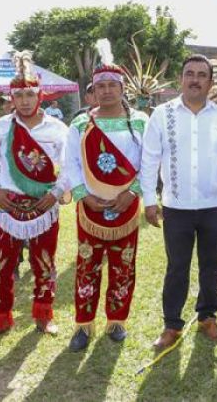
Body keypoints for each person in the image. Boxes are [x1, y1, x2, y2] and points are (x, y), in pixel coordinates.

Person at [141, 55, 217, 350]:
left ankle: (208, 317)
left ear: (210, 82)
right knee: (177, 267)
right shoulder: (161, 114)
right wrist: (149, 200)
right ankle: (172, 325)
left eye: (201, 75)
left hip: (213, 204)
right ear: (181, 79)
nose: (195, 79)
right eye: (189, 73)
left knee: (211, 265)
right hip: (176, 205)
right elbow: (149, 160)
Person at [0, 52, 69, 342]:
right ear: (12, 98)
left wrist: (56, 194)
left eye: (30, 94)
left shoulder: (57, 128)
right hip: (7, 208)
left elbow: (69, 166)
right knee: (1, 265)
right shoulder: (2, 126)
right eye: (20, 96)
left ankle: (43, 315)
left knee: (44, 263)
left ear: (39, 95)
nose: (26, 101)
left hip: (44, 207)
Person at [65, 63, 148, 352]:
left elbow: (149, 163)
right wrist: (83, 195)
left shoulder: (139, 121)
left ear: (122, 88)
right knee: (87, 265)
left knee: (123, 264)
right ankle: (84, 324)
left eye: (113, 85)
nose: (107, 90)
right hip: (90, 206)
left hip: (126, 205)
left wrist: (132, 192)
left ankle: (116, 321)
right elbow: (71, 164)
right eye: (101, 86)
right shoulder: (80, 124)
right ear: (93, 91)